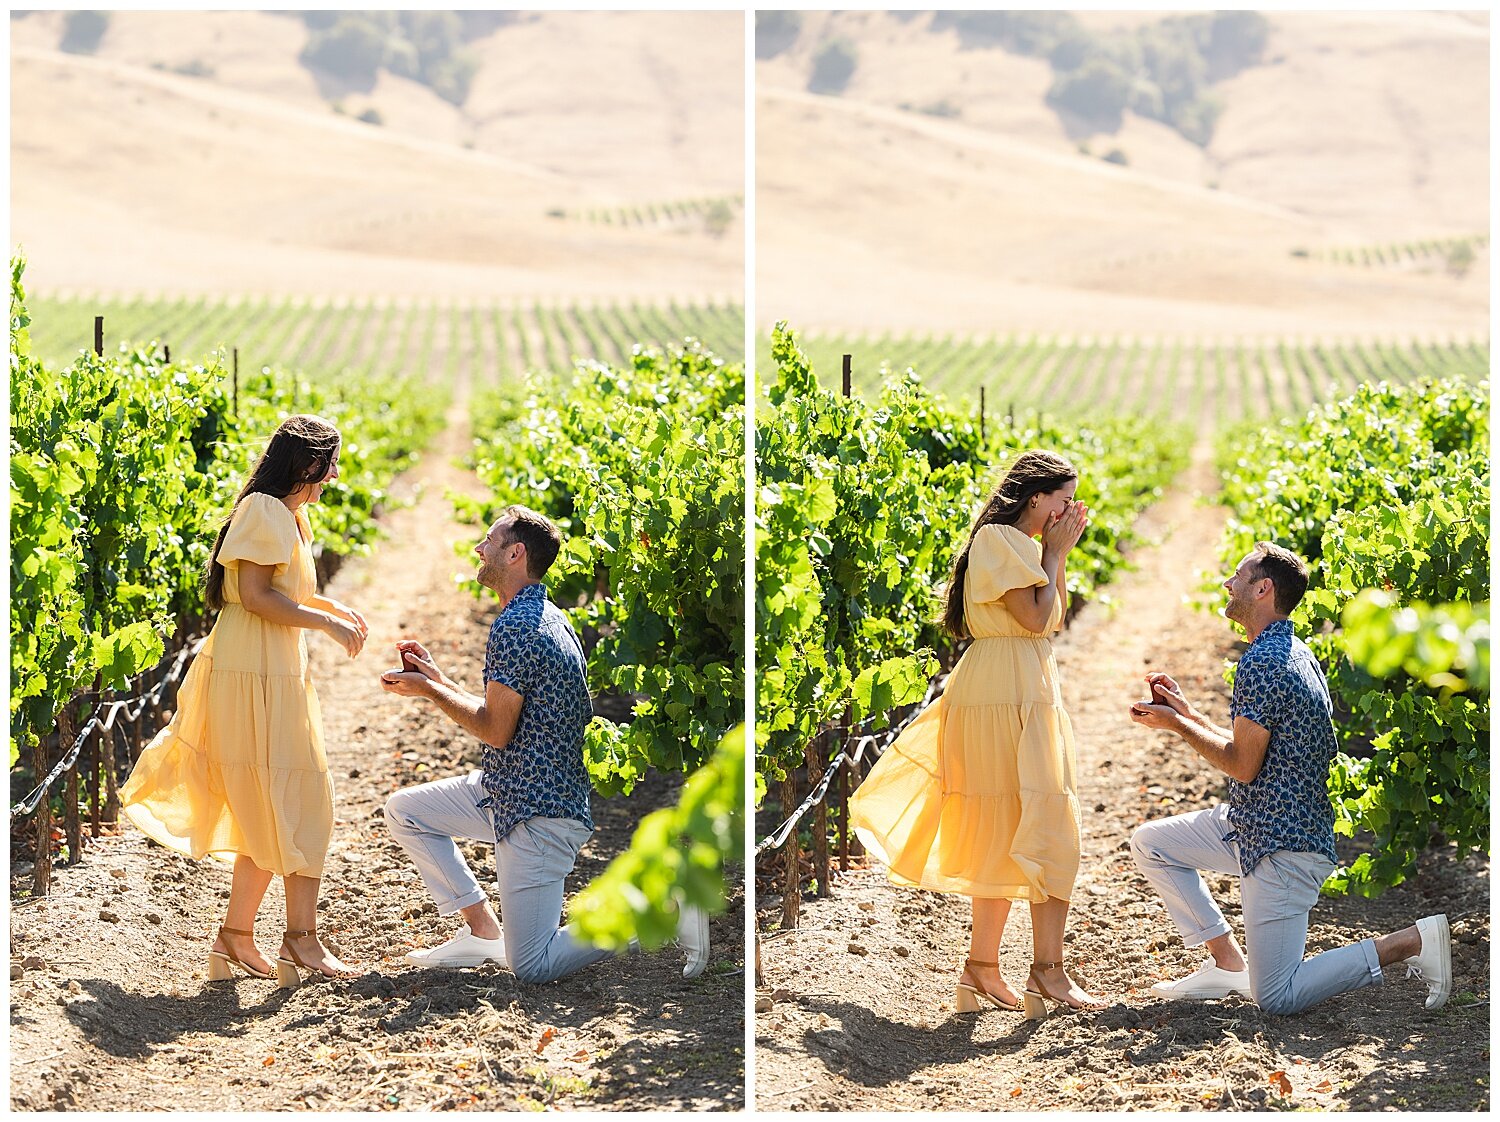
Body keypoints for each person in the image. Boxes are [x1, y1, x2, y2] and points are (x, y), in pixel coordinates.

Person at [378, 505, 709, 983]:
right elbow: (507, 711)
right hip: (507, 790)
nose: (479, 547)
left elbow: (494, 730)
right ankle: (482, 932)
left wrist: (429, 692)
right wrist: (438, 678)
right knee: (406, 810)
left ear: (514, 553)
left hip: (538, 812)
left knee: (531, 966)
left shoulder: (515, 627)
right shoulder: (543, 614)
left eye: (489, 540)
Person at [1127, 541, 1451, 1014]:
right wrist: (1188, 713)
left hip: (1282, 845)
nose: (1227, 583)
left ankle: (1409, 942)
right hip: (1252, 823)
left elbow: (1241, 764)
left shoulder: (1263, 662)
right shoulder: (1289, 650)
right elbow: (1254, 748)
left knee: (1277, 996)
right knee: (1152, 843)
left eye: (1237, 576)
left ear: (1262, 589)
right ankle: (1226, 964)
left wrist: (1176, 726)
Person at [849, 450, 1104, 1019]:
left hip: (1022, 686)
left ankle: (982, 971)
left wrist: (1053, 556)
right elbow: (1036, 617)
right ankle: (1047, 974)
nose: (1069, 511)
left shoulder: (1019, 547)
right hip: (1000, 692)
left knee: (1026, 822)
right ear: (1036, 497)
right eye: (1063, 499)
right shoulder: (998, 541)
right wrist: (1056, 553)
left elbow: (1044, 616)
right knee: (1043, 824)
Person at [121, 414, 369, 988]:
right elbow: (256, 596)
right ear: (307, 463)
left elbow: (284, 594)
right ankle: (299, 942)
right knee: (299, 796)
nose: (334, 474)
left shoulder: (290, 515)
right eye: (329, 462)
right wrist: (325, 625)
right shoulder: (264, 511)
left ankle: (237, 938)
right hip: (249, 666)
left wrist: (333, 613)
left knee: (273, 798)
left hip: (269, 665)